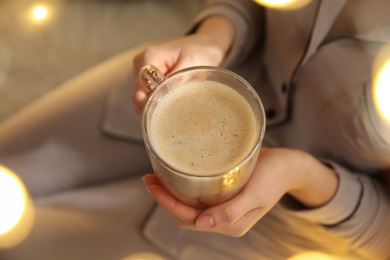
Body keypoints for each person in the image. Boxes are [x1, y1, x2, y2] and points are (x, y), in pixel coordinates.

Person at [0, 0, 389, 259]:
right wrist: (212, 38)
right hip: (188, 79)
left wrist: (302, 175)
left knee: (26, 247)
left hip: (275, 217)